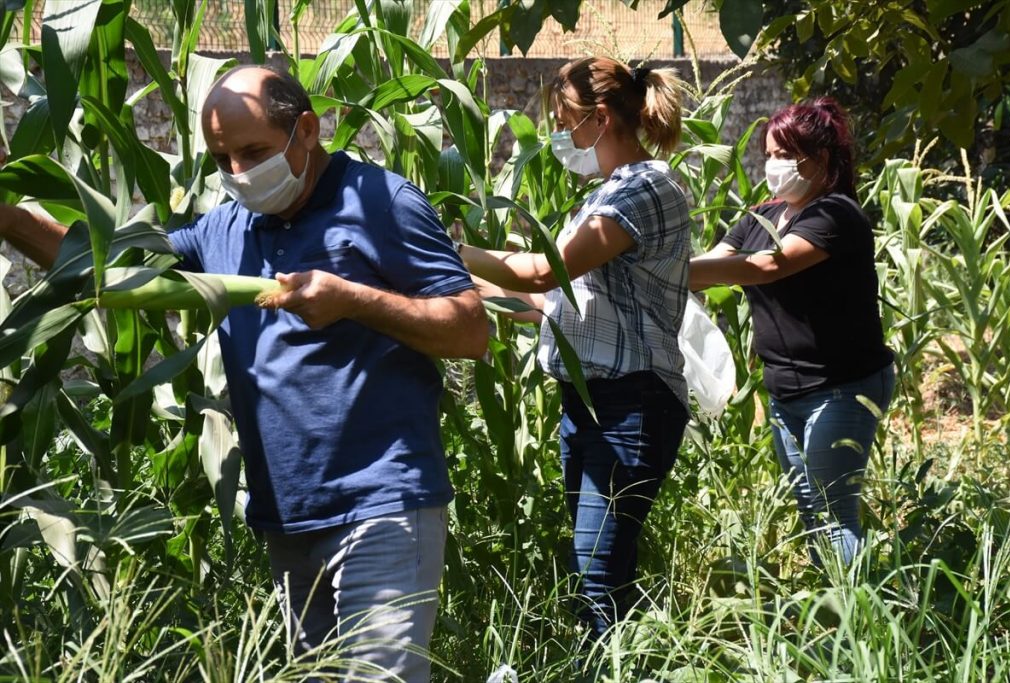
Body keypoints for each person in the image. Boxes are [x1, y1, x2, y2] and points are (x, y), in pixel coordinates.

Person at [0, 65, 489, 681]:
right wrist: (11, 217)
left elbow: (471, 329)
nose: (237, 173)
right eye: (222, 158)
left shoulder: (380, 203)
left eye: (254, 152)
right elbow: (107, 270)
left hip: (381, 505)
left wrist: (352, 299)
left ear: (307, 129)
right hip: (286, 515)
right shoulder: (226, 226)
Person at [458, 56, 690, 638]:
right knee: (601, 570)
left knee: (596, 576)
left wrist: (451, 248)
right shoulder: (602, 196)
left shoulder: (645, 189)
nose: (560, 135)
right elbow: (556, 303)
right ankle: (642, 662)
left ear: (602, 118)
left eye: (565, 120)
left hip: (632, 405)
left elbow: (543, 271)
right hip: (587, 403)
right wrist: (460, 283)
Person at [689, 97, 895, 566]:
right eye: (769, 154)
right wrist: (652, 271)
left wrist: (661, 274)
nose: (773, 165)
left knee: (834, 511)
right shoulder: (761, 215)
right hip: (785, 392)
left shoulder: (834, 215)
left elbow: (764, 268)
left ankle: (860, 625)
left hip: (841, 388)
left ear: (820, 161)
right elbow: (714, 264)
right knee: (812, 511)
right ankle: (837, 616)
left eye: (786, 155)